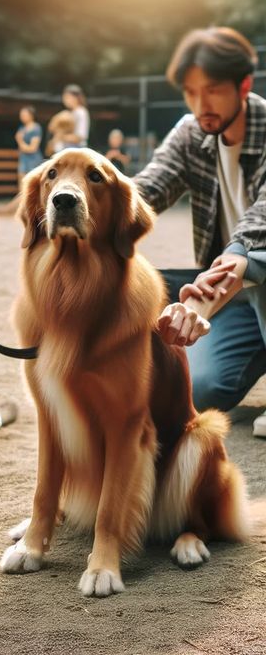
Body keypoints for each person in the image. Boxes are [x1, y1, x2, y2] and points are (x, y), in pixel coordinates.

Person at [134, 27, 266, 439]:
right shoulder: (191, 133)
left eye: (211, 90)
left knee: (258, 261)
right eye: (190, 92)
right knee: (203, 388)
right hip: (232, 298)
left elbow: (258, 229)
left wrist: (201, 302)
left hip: (249, 271)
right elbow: (144, 192)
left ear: (243, 84)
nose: (200, 105)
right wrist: (83, 205)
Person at [15, 105, 43, 189]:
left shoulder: (36, 128)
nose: (22, 117)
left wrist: (19, 140)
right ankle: (22, 202)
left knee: (32, 184)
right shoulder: (22, 128)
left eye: (24, 115)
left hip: (33, 160)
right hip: (23, 159)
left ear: (31, 115)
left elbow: (32, 148)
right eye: (21, 115)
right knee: (22, 184)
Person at [61, 83, 90, 147]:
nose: (65, 100)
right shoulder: (71, 112)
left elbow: (80, 136)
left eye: (67, 97)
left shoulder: (81, 112)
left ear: (76, 98)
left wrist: (60, 137)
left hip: (77, 150)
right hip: (68, 148)